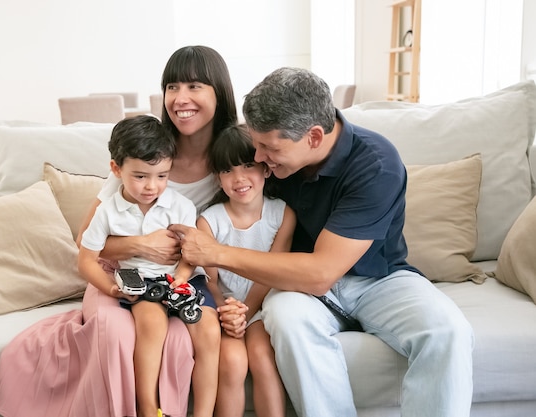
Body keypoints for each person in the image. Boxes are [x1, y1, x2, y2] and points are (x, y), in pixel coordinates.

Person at [169, 67, 474, 417]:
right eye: (256, 143)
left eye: (268, 147)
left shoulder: (375, 164)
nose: (258, 157)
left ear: (314, 137)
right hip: (295, 288)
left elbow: (321, 273)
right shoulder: (270, 164)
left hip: (379, 280)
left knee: (448, 331)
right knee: (286, 319)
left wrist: (217, 253)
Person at [0, 45, 238, 417]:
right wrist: (143, 246)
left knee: (196, 328)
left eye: (194, 86)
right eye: (172, 87)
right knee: (123, 329)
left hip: (183, 278)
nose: (180, 98)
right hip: (124, 273)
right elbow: (86, 243)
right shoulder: (138, 156)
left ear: (219, 91)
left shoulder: (233, 158)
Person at [78, 115, 220, 417]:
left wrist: (180, 278)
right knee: (153, 325)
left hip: (183, 281)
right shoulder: (107, 212)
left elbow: (189, 254)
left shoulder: (181, 205)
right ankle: (147, 408)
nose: (151, 186)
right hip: (142, 282)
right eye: (140, 176)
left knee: (208, 329)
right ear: (117, 169)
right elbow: (86, 260)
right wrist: (112, 288)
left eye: (161, 176)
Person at [197, 125, 295, 417]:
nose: (239, 178)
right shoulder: (209, 221)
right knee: (232, 362)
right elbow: (210, 282)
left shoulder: (283, 214)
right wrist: (230, 314)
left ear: (266, 168)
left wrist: (246, 312)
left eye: (248, 166)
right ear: (218, 178)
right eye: (227, 171)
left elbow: (273, 272)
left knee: (263, 358)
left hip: (261, 307)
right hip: (224, 311)